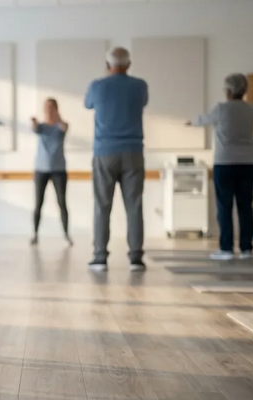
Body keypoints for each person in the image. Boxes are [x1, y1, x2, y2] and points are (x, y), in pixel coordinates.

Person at [84, 47, 149, 272]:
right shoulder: (140, 86)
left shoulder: (97, 86)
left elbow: (87, 104)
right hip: (133, 151)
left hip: (105, 152)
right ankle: (136, 258)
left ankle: (100, 257)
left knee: (102, 206)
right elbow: (143, 102)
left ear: (106, 64)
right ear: (129, 64)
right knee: (134, 206)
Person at [185, 73, 253, 261]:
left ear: (229, 91)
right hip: (248, 163)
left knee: (224, 207)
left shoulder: (221, 109)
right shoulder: (251, 110)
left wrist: (190, 122)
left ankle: (226, 249)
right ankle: (246, 249)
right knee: (245, 207)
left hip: (225, 163)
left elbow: (204, 120)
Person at [30, 98, 72, 246]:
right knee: (38, 203)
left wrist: (57, 117)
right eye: (46, 107)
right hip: (41, 169)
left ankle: (66, 234)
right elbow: (35, 128)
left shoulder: (61, 126)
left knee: (62, 202)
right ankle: (35, 234)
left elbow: (64, 127)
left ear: (56, 108)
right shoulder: (41, 127)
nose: (48, 110)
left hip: (59, 170)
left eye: (51, 107)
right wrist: (34, 122)